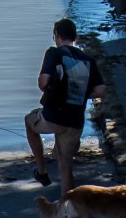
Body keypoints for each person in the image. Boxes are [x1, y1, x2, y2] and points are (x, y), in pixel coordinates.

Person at [26, 18, 104, 200]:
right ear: (76, 36)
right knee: (65, 165)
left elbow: (43, 82)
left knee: (29, 121)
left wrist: (56, 89)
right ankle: (66, 214)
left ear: (57, 36)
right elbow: (100, 90)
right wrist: (80, 92)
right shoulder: (88, 59)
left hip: (53, 116)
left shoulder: (54, 53)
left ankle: (42, 170)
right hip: (75, 121)